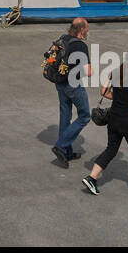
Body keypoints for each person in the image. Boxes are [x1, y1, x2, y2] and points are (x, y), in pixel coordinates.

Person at [83, 49, 128, 196]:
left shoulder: (114, 73)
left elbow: (104, 92)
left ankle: (92, 178)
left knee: (111, 149)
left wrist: (117, 99)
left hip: (113, 118)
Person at [51, 18, 91, 167]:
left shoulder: (64, 38)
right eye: (87, 28)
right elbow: (88, 72)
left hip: (60, 82)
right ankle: (61, 145)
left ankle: (66, 152)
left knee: (65, 114)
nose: (87, 30)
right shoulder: (80, 45)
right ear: (81, 30)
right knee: (85, 116)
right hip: (73, 85)